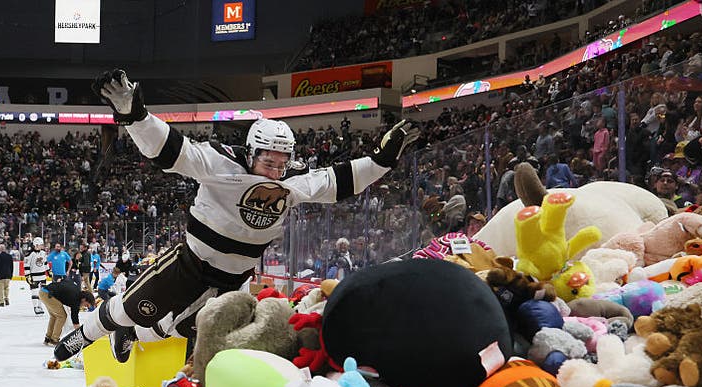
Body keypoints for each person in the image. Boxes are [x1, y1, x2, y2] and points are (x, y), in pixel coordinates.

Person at [55, 69, 420, 362]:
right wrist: (134, 116)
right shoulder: (220, 161)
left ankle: (131, 336)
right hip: (191, 263)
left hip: (236, 277)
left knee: (189, 327)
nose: (274, 170)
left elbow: (338, 181)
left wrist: (381, 161)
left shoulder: (291, 181)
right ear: (251, 152)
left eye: (280, 163)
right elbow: (168, 151)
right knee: (133, 307)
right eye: (267, 161)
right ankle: (84, 335)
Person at [39, 277, 96, 346]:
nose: (84, 307)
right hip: (48, 295)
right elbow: (75, 320)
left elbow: (64, 280)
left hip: (43, 292)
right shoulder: (76, 300)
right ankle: (54, 339)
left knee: (54, 316)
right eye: (86, 305)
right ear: (84, 299)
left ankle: (48, 338)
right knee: (62, 316)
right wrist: (81, 335)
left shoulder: (77, 290)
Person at [23, 237, 49, 315]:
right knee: (35, 292)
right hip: (34, 277)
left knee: (42, 292)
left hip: (43, 276)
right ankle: (35, 307)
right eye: (41, 244)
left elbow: (45, 263)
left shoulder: (43, 253)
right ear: (36, 245)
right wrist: (27, 276)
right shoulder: (29, 254)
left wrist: (48, 271)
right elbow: (26, 266)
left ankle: (40, 306)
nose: (42, 246)